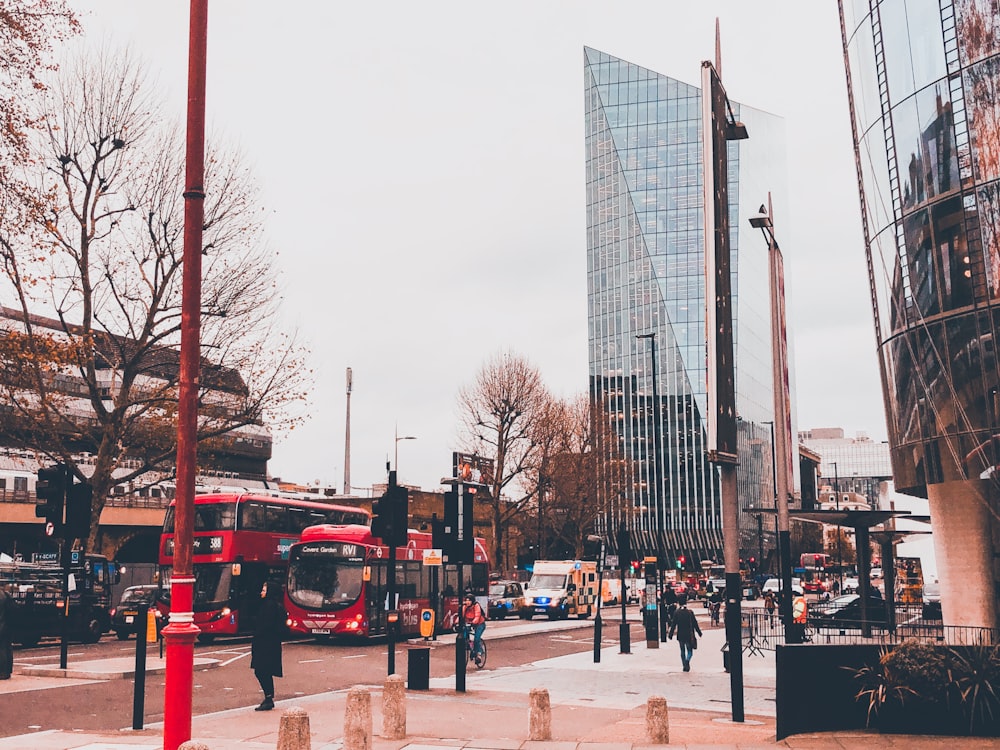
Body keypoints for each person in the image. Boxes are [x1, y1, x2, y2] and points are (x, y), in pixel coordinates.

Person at [250, 582, 286, 711]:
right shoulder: (277, 606)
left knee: (261, 670)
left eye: (264, 589)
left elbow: (265, 625)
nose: (261, 592)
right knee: (264, 671)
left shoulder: (268, 606)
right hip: (272, 643)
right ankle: (268, 696)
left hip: (265, 643)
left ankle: (268, 697)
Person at [667, 595, 702, 672]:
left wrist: (670, 634)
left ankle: (684, 665)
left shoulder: (677, 612)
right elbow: (695, 623)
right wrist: (699, 632)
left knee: (682, 651)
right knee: (690, 651)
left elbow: (673, 624)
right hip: (689, 634)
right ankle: (687, 661)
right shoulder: (690, 612)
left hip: (680, 635)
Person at [462, 592, 486, 663]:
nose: (467, 602)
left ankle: (479, 654)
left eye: (469, 600)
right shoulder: (464, 607)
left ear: (472, 601)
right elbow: (461, 616)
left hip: (479, 624)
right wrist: (457, 622)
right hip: (470, 623)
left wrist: (474, 622)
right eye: (466, 600)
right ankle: (469, 646)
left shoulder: (476, 606)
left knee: (476, 638)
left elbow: (477, 615)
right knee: (464, 634)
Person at [0, 583, 12, 680]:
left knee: (2, 649)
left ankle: (3, 672)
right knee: (6, 648)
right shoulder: (6, 594)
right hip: (6, 625)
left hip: (1, 625)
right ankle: (7, 671)